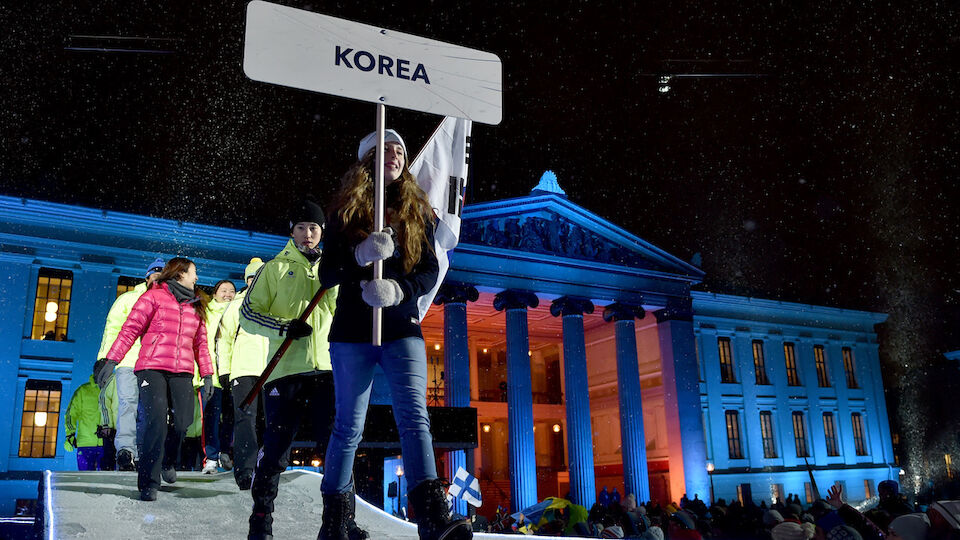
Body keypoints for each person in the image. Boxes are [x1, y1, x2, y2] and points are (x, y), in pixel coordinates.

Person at [317, 129, 470, 540]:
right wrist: (360, 257)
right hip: (352, 330)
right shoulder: (345, 212)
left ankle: (432, 515)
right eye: (386, 148)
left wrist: (400, 289)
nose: (396, 154)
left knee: (414, 419)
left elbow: (430, 270)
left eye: (400, 149)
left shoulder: (418, 211)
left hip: (402, 326)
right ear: (367, 158)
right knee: (349, 424)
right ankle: (335, 518)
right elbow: (327, 272)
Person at [239, 200, 347, 540]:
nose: (308, 234)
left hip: (327, 371)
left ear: (322, 232)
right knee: (276, 448)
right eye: (301, 227)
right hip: (284, 374)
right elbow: (248, 313)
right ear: (291, 230)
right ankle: (261, 520)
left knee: (337, 449)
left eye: (314, 228)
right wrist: (284, 327)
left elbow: (343, 311)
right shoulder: (273, 268)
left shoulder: (332, 270)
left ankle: (343, 521)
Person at [96, 257, 214, 501]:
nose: (197, 278)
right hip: (151, 368)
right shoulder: (153, 297)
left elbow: (201, 343)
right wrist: (111, 360)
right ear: (180, 274)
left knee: (182, 423)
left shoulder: (197, 304)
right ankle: (148, 481)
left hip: (182, 371)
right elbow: (129, 329)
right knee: (155, 422)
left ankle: (169, 460)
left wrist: (207, 374)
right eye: (194, 273)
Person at [94, 257, 164, 471]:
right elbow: (113, 328)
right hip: (129, 361)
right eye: (155, 273)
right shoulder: (128, 299)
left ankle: (145, 452)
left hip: (155, 364)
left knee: (152, 411)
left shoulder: (169, 301)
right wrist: (104, 358)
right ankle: (126, 451)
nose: (159, 277)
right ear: (147, 276)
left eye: (163, 274)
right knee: (127, 405)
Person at [217, 258, 270, 490]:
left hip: (272, 369)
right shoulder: (236, 304)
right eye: (252, 277)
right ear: (247, 280)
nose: (255, 281)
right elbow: (224, 339)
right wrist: (225, 371)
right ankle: (245, 470)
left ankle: (270, 466)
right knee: (245, 420)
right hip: (244, 369)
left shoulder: (274, 301)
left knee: (274, 421)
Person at [198, 279, 236, 474]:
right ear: (214, 294)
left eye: (231, 291)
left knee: (232, 416)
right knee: (211, 418)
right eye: (223, 290)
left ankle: (224, 452)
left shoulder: (239, 311)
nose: (228, 294)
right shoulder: (206, 313)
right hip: (210, 374)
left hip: (234, 372)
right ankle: (210, 459)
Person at [64, 371, 106, 470]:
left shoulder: (112, 390)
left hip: (105, 443)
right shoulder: (83, 391)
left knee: (105, 481)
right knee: (87, 480)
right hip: (86, 444)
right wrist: (70, 434)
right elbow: (71, 414)